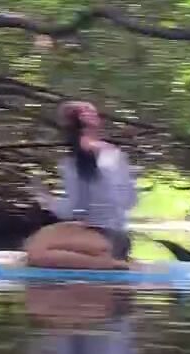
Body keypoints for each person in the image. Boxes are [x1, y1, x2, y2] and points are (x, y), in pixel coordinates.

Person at [22, 101, 137, 269]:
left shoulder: (83, 160)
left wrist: (46, 199)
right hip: (102, 233)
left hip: (109, 237)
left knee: (36, 254)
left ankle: (110, 263)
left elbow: (75, 209)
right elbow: (129, 201)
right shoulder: (105, 155)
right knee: (32, 243)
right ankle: (98, 256)